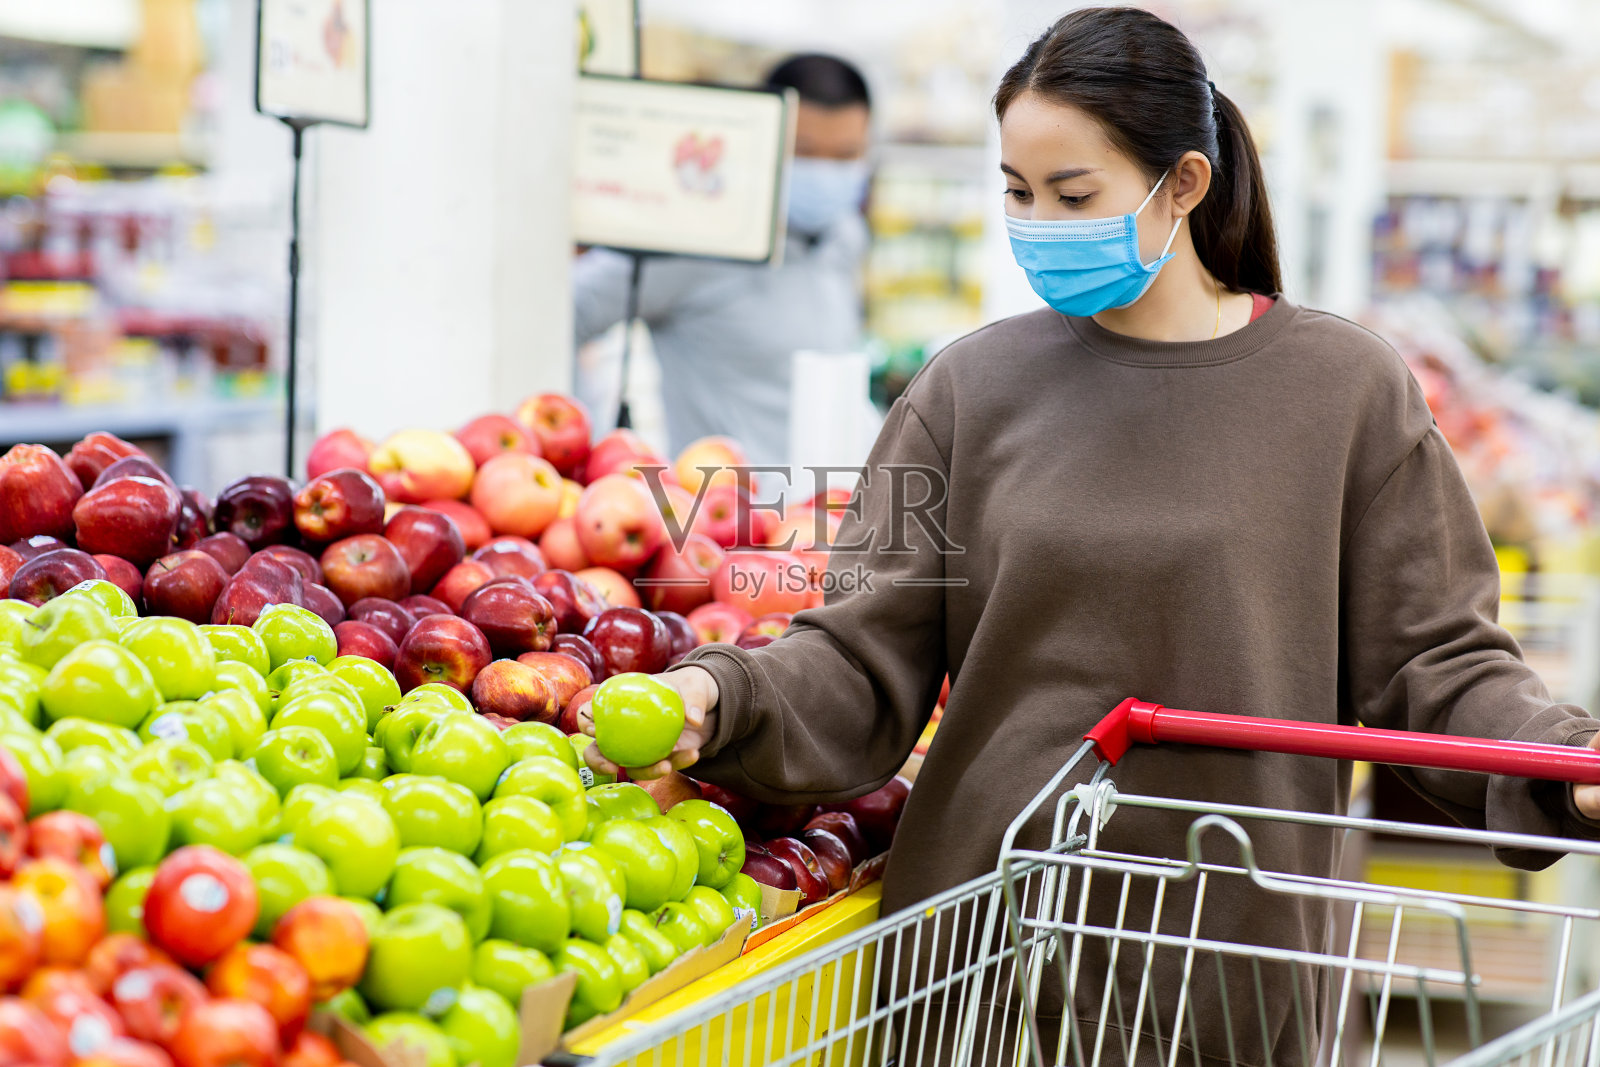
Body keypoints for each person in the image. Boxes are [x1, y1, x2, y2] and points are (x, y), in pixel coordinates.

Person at [585, 8, 1600, 1064]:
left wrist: (1559, 759)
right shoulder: (965, 389)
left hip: (1233, 967)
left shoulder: (1343, 393)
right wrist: (723, 691)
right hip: (975, 955)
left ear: (1186, 185)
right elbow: (860, 654)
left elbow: (1432, 659)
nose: (1040, 226)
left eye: (1074, 196)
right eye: (1018, 194)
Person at [572, 54, 872, 465]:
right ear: (764, 142)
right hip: (722, 515)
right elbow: (566, 308)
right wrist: (577, 447)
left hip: (824, 512)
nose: (825, 172)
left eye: (845, 155)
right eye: (804, 152)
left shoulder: (845, 236)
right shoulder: (699, 240)